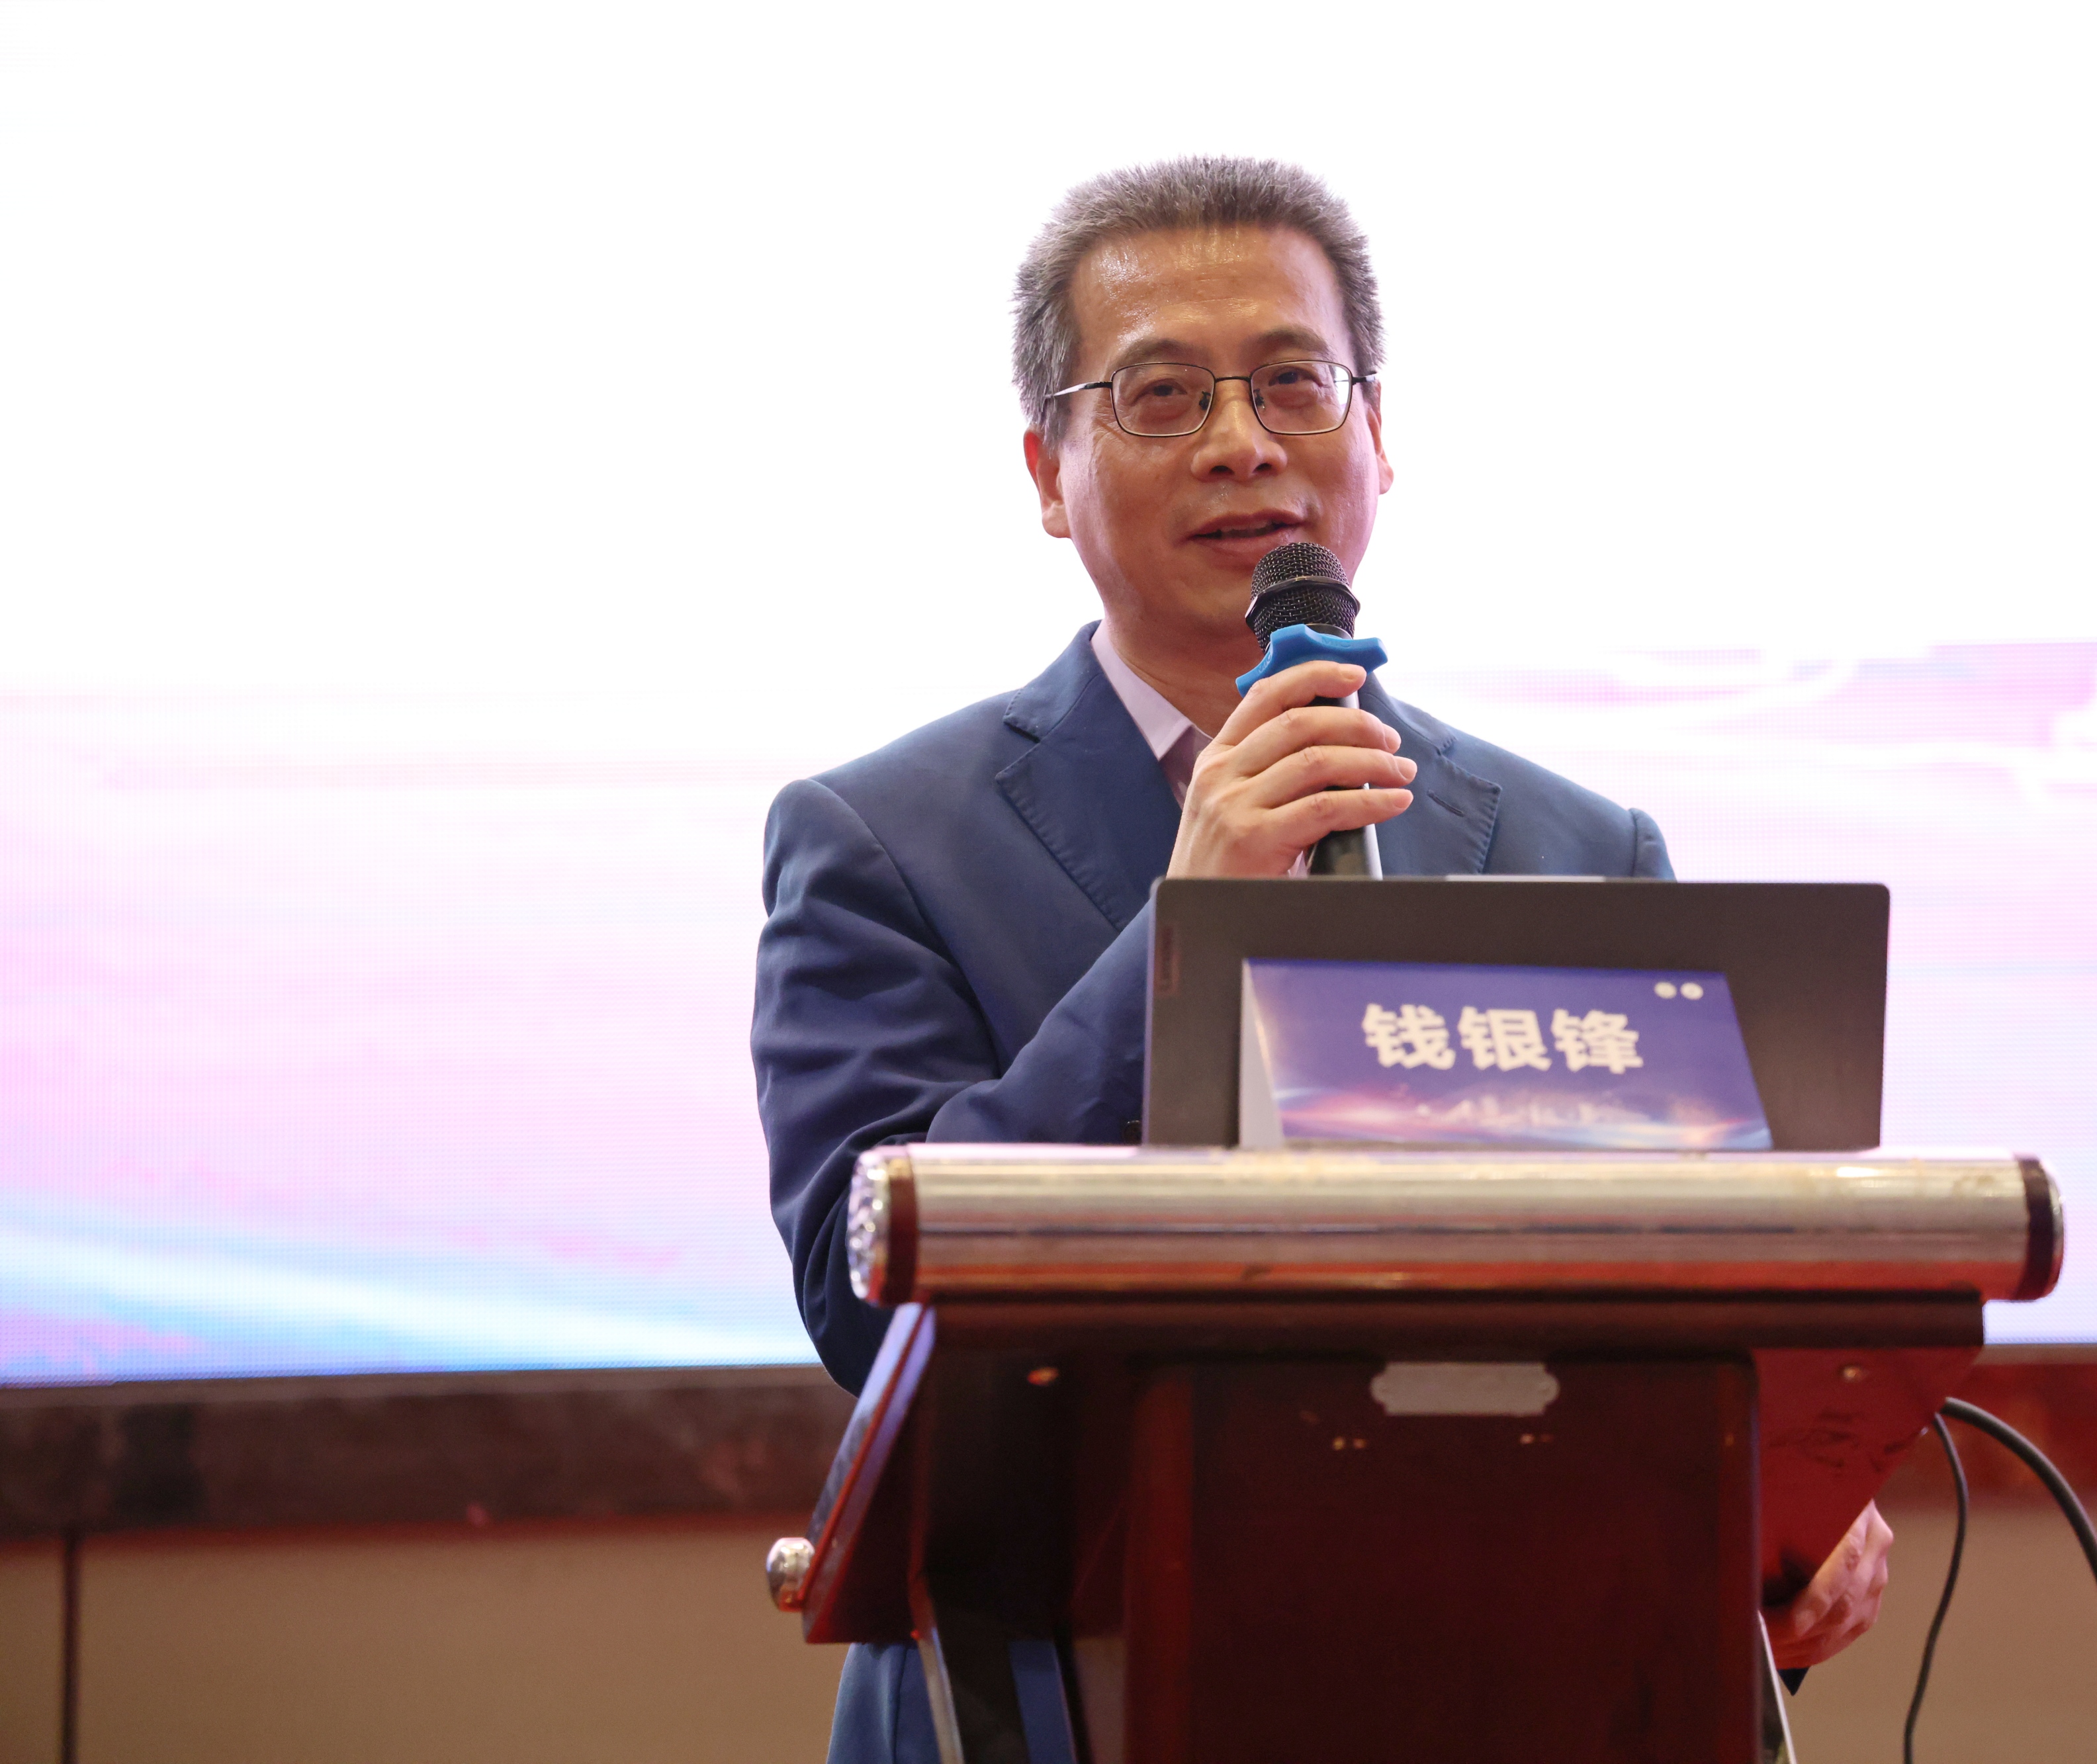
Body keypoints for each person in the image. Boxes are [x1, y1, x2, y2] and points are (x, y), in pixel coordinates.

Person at [752, 157, 1891, 1763]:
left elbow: (1678, 1311)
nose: (1243, 442)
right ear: (1047, 471)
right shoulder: (876, 841)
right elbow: (864, 1299)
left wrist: (1777, 1512)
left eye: (1294, 382)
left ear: (1376, 435)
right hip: (1054, 1706)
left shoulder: (1579, 842)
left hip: (1519, 1698)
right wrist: (1192, 923)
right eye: (1161, 395)